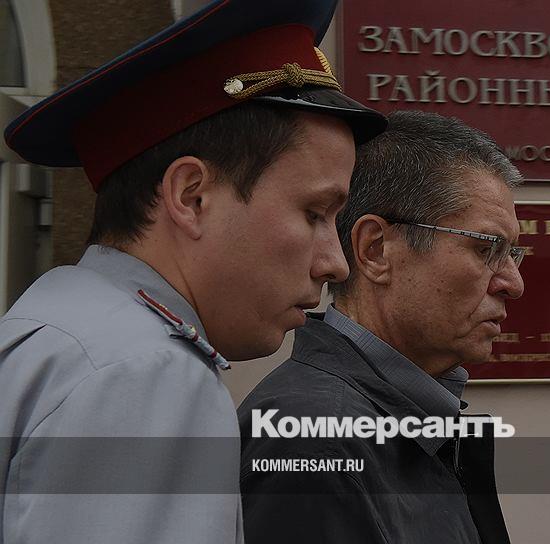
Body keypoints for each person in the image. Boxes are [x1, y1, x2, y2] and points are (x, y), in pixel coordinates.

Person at [0, 0, 385, 542]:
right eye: (314, 213)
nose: (335, 263)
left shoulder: (55, 332)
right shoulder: (149, 375)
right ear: (191, 196)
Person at [238, 111, 524, 544]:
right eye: (486, 249)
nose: (514, 284)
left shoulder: (385, 422)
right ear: (375, 251)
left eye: (512, 254)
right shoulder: (317, 443)